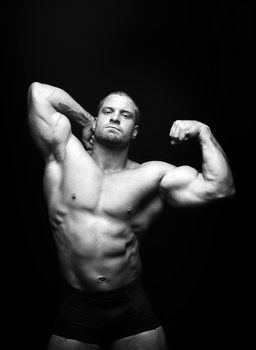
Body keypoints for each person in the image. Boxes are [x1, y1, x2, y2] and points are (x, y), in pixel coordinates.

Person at [27, 82, 235, 350]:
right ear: (98, 117)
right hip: (77, 306)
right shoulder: (64, 155)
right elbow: (38, 92)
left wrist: (203, 131)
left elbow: (220, 187)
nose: (115, 117)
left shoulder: (151, 175)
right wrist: (85, 118)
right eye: (108, 111)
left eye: (125, 115)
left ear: (134, 131)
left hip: (131, 307)